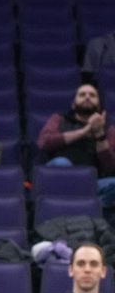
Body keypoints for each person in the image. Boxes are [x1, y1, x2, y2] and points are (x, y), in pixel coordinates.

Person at [36, 83, 115, 212]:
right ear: (74, 103)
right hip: (60, 178)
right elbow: (44, 142)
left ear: (99, 105)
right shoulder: (59, 119)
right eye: (82, 95)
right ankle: (84, 207)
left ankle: (87, 207)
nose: (87, 97)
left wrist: (100, 135)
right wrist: (83, 132)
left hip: (91, 183)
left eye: (92, 95)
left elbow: (109, 167)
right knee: (61, 163)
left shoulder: (108, 130)